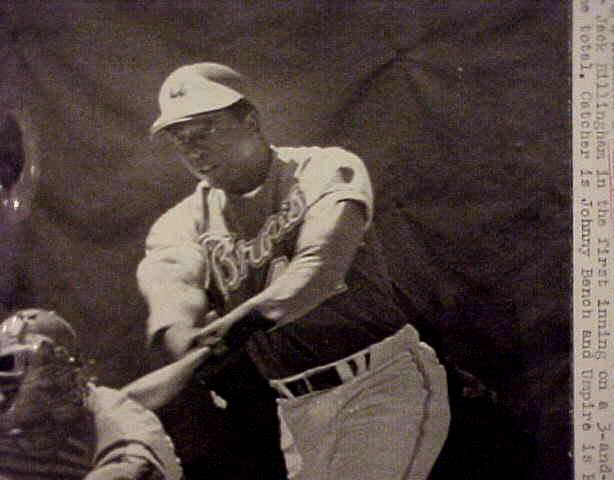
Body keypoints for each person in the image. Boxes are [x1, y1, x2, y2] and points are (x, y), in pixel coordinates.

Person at [137, 62, 450, 480]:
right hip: (296, 410)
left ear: (249, 120)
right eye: (181, 138)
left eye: (205, 130)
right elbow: (172, 294)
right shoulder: (182, 221)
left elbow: (318, 268)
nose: (193, 150)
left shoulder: (323, 170)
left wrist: (233, 327)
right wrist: (183, 341)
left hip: (378, 382)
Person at [0, 308, 183, 480]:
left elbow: (132, 469)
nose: (4, 398)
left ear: (64, 381)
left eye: (14, 389)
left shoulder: (120, 419)